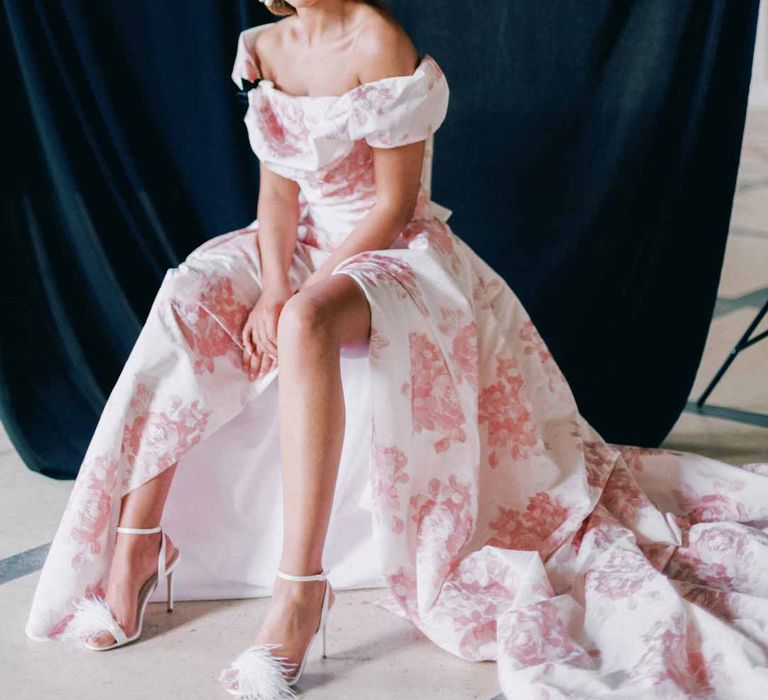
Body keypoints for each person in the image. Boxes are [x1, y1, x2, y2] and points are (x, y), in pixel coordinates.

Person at [24, 1, 768, 698]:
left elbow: (391, 205)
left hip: (392, 250)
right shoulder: (269, 46)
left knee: (307, 322)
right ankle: (138, 546)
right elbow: (278, 199)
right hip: (304, 241)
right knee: (189, 292)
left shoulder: (378, 41)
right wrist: (273, 283)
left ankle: (299, 594)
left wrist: (302, 293)